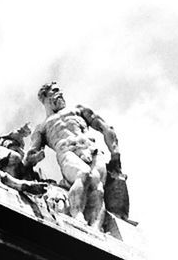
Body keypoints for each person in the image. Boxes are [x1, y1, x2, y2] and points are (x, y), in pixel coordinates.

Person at [25, 82, 120, 229]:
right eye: (55, 91)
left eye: (61, 91)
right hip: (67, 152)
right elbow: (30, 155)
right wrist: (33, 158)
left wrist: (115, 154)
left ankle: (95, 230)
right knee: (83, 174)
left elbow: (105, 128)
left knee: (98, 188)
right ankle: (77, 217)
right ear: (44, 97)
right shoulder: (42, 128)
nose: (60, 94)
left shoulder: (79, 110)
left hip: (91, 149)